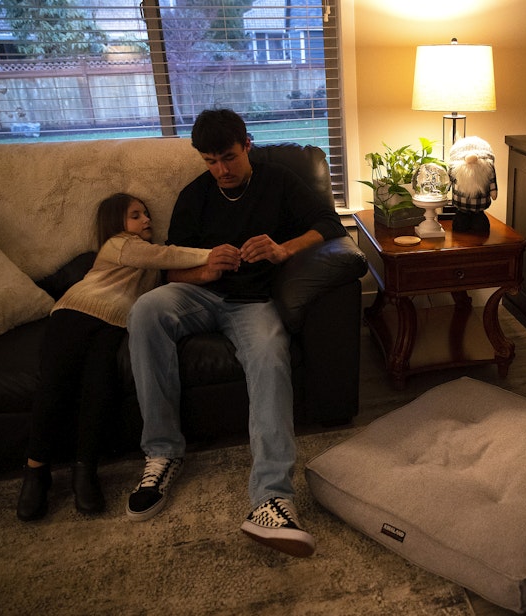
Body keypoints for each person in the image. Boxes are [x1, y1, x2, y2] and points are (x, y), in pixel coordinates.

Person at [124, 108, 346, 558]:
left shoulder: (279, 181)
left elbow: (330, 225)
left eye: (228, 157)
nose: (221, 170)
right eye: (210, 161)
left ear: (247, 145)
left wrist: (283, 249)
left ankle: (271, 499)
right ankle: (163, 454)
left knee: (269, 351)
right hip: (200, 296)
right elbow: (171, 274)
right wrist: (205, 271)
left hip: (254, 303)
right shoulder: (194, 196)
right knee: (146, 310)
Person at [16, 193, 211, 521]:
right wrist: (214, 254)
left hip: (114, 325)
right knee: (55, 385)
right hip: (75, 312)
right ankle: (36, 471)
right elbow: (168, 255)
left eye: (147, 213)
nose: (146, 219)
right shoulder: (119, 244)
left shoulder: (149, 263)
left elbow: (165, 274)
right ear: (117, 223)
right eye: (136, 215)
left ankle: (85, 469)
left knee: (100, 388)